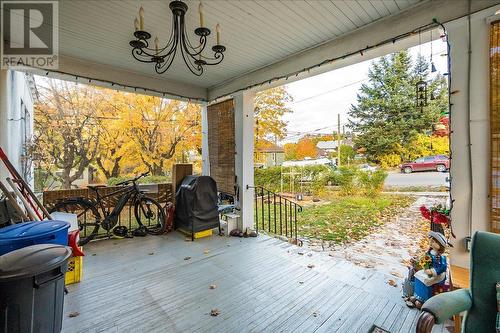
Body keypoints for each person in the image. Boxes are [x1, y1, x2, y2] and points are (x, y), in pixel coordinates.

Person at [405, 231, 449, 309]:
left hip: (436, 274)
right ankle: (417, 296)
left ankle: (424, 300)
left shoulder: (441, 258)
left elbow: (443, 267)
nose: (431, 243)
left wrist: (432, 271)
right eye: (431, 241)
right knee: (418, 277)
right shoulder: (429, 253)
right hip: (427, 271)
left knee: (427, 282)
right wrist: (421, 264)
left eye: (434, 242)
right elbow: (425, 261)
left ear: (440, 245)